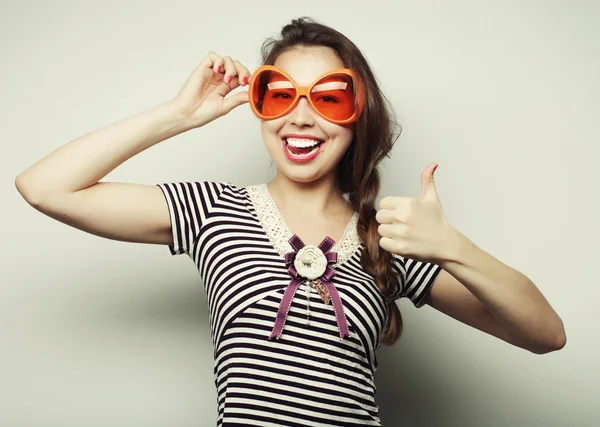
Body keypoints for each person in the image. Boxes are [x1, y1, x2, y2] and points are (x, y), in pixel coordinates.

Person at [15, 17, 565, 427]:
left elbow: (545, 334)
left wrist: (453, 247)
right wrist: (178, 116)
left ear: (358, 114)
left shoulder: (392, 237)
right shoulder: (213, 210)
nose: (301, 116)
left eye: (328, 98)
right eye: (279, 95)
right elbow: (44, 187)